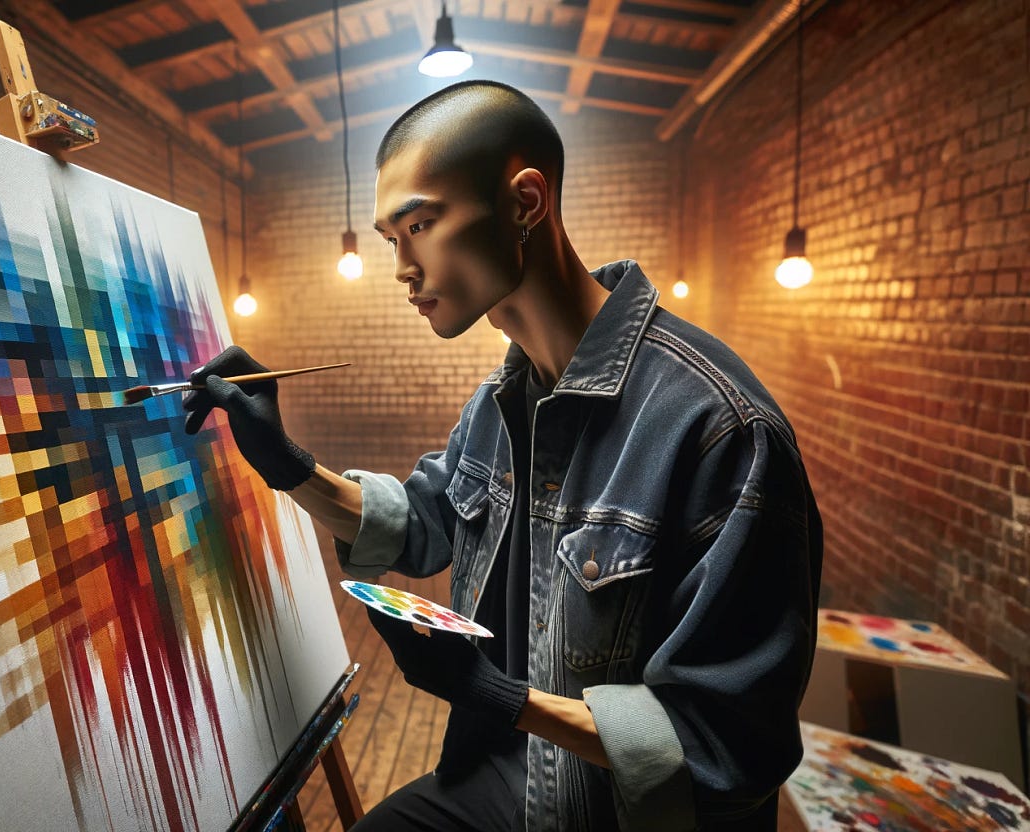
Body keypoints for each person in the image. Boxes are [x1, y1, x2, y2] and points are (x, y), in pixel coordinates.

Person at [183, 80, 823, 831]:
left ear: (525, 202)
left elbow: (726, 748)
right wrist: (285, 462)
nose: (401, 267)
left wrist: (498, 696)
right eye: (392, 239)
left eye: (420, 223)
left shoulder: (722, 429)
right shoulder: (501, 399)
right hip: (508, 782)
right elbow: (424, 524)